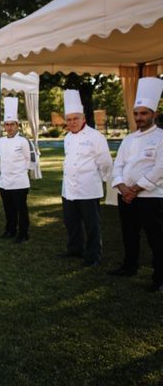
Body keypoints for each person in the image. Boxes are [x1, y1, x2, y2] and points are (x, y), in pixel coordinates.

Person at [108, 77, 163, 291]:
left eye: (144, 113)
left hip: (151, 197)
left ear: (154, 114)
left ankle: (159, 278)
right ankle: (129, 266)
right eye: (136, 113)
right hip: (127, 196)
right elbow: (118, 165)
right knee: (129, 234)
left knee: (156, 239)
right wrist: (123, 188)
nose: (139, 117)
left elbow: (160, 168)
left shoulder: (161, 137)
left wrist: (136, 188)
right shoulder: (128, 139)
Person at [60, 89, 113, 267]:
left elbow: (105, 162)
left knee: (92, 224)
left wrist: (103, 180)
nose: (72, 122)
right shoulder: (67, 137)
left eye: (75, 118)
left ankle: (93, 255)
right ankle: (75, 249)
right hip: (69, 188)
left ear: (83, 118)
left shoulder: (96, 137)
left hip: (88, 188)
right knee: (71, 221)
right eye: (69, 119)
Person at [0, 97, 32, 243]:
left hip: (19, 181)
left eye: (12, 124)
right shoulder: (1, 141)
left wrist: (20, 172)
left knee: (21, 209)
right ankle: (10, 230)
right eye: (7, 124)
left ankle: (23, 233)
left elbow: (30, 161)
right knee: (8, 209)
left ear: (17, 125)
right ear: (4, 126)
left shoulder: (23, 141)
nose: (9, 127)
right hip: (5, 181)